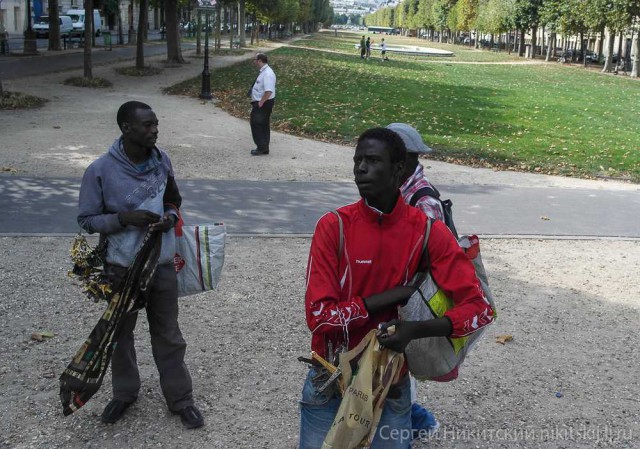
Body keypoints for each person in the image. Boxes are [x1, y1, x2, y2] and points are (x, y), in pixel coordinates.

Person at [299, 127, 494, 448]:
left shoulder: (428, 232)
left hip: (390, 380)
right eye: (357, 160)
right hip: (329, 377)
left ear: (399, 169)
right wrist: (393, 296)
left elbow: (481, 310)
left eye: (372, 160)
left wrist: (416, 330)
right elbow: (319, 317)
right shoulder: (333, 226)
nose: (360, 168)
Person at [77, 101, 204, 429]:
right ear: (126, 128)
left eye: (156, 124)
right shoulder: (100, 170)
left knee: (169, 335)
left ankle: (180, 399)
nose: (155, 130)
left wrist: (170, 218)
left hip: (161, 264)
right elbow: (87, 220)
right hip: (120, 268)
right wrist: (123, 218)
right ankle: (124, 393)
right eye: (147, 125)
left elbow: (173, 199)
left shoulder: (162, 160)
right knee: (120, 335)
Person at [387, 123, 443, 439]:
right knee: (392, 360)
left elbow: (434, 258)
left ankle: (413, 422)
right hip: (395, 293)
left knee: (398, 362)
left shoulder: (423, 201)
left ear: (405, 160)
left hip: (412, 297)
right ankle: (414, 419)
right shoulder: (396, 191)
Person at [249, 53, 276, 156]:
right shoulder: (264, 71)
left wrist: (261, 102)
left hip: (263, 103)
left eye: (255, 60)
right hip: (263, 102)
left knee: (257, 124)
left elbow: (268, 91)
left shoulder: (268, 74)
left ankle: (261, 148)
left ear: (260, 60)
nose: (254, 62)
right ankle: (264, 147)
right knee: (263, 124)